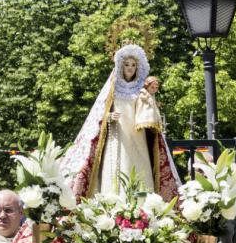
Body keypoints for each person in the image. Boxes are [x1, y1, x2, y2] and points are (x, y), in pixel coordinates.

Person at [60, 43, 178, 201]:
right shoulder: (112, 89)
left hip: (138, 137)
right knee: (118, 166)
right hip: (117, 135)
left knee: (139, 167)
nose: (130, 68)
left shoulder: (141, 90)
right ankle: (115, 201)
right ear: (121, 66)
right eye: (127, 65)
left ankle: (143, 202)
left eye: (133, 65)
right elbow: (98, 116)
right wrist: (109, 117)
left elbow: (151, 113)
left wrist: (150, 100)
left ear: (138, 68)